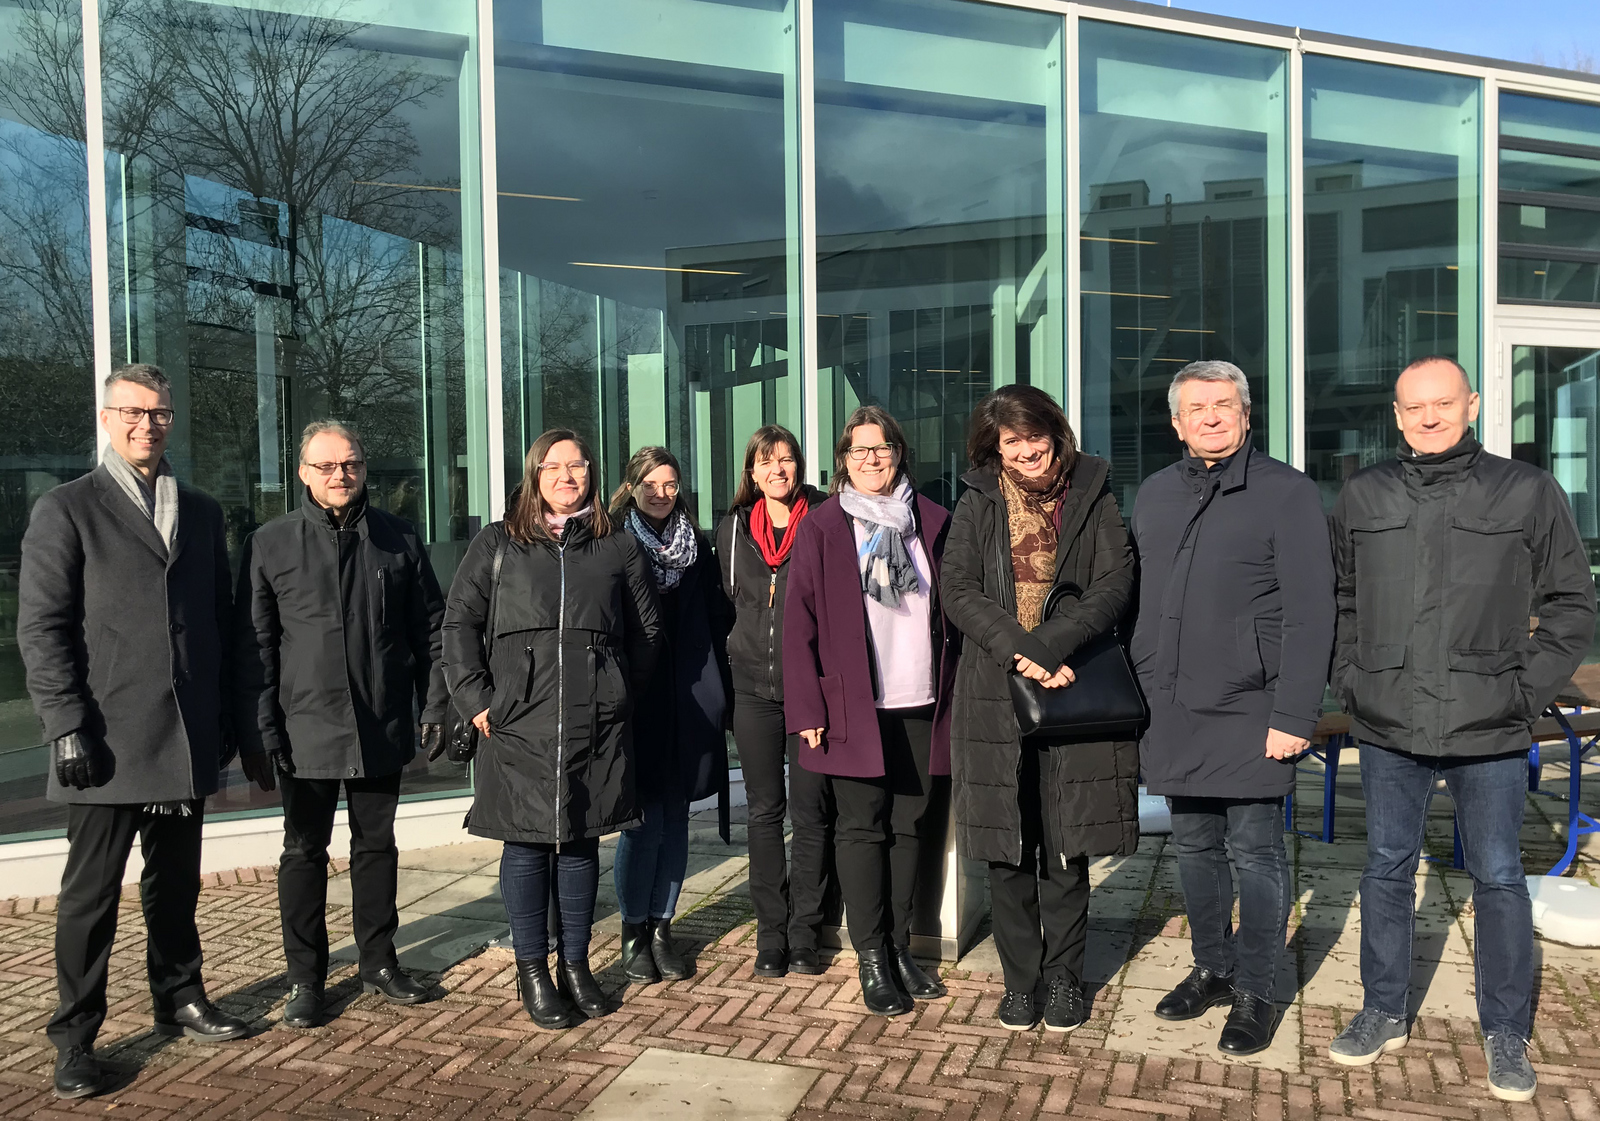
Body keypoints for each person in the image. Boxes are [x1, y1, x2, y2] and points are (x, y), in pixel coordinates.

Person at [1326, 356, 1595, 1102]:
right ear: (1397, 413)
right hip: (1388, 722)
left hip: (1492, 726)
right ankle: (1383, 1008)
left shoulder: (1527, 490)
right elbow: (1342, 597)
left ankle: (1505, 1027)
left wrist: (1522, 692)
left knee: (1500, 875)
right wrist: (1352, 678)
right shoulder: (1363, 493)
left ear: (1471, 404)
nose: (1430, 416)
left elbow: (1573, 605)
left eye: (1443, 402)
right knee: (1384, 868)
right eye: (1415, 407)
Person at [19, 364, 250, 1100]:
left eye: (159, 413)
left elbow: (219, 624)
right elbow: (43, 627)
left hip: (181, 738)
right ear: (106, 417)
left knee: (175, 882)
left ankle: (179, 993)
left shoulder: (204, 511)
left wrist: (224, 722)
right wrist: (64, 724)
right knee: (90, 897)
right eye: (133, 412)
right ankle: (75, 1038)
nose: (147, 424)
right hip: (104, 743)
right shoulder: (68, 508)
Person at [1129, 360, 1335, 1057]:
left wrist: (1295, 715)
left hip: (1255, 707)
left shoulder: (1288, 494)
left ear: (1247, 414)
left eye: (1224, 404)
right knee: (1192, 847)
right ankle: (1213, 966)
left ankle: (1258, 985)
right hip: (1174, 704)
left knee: (1255, 850)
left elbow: (1312, 614)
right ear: (1177, 422)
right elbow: (1141, 603)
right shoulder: (1154, 495)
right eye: (1197, 407)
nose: (1211, 416)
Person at [441, 429, 661, 1031]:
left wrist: (619, 695)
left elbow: (646, 632)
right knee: (529, 842)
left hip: (596, 720)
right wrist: (476, 700)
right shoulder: (498, 543)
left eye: (579, 466)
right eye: (555, 467)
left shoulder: (615, 546)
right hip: (517, 722)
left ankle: (577, 964)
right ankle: (533, 969)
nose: (569, 476)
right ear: (535, 474)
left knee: (583, 841)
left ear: (592, 473)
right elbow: (459, 621)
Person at [235, 420, 451, 1029]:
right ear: (302, 472)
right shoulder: (269, 544)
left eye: (350, 464)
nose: (340, 476)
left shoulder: (398, 539)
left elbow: (431, 632)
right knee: (303, 853)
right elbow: (255, 649)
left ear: (363, 468)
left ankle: (379, 962)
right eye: (326, 466)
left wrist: (434, 705)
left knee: (376, 847)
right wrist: (262, 733)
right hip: (304, 729)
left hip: (379, 722)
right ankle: (306, 979)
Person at [941, 386, 1138, 1033]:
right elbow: (958, 589)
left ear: (1055, 433)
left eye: (1035, 437)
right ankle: (1020, 982)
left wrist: (1050, 645)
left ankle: (1064, 980)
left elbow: (1116, 581)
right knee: (1006, 848)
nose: (1026, 451)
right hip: (993, 695)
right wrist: (1021, 649)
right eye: (1011, 441)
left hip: (1070, 686)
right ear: (994, 447)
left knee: (1065, 846)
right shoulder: (977, 500)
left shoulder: (1093, 489)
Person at [783, 405, 958, 1017]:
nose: (872, 459)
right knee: (861, 828)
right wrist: (806, 707)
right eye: (859, 452)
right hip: (851, 705)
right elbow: (796, 622)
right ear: (844, 462)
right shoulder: (825, 527)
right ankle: (872, 957)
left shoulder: (932, 521)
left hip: (922, 700)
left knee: (911, 828)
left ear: (899, 453)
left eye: (881, 449)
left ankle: (902, 945)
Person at [610, 446, 732, 984]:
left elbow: (717, 615)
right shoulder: (612, 542)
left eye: (671, 483)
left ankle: (663, 925)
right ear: (631, 487)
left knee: (679, 818)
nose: (662, 493)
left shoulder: (698, 547)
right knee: (643, 821)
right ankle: (633, 929)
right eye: (652, 483)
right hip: (636, 700)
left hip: (687, 698)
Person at [717, 426, 833, 980]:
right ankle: (772, 935)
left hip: (809, 691)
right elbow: (727, 608)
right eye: (767, 462)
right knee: (764, 813)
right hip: (753, 693)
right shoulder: (733, 531)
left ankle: (807, 933)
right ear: (753, 472)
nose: (778, 470)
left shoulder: (827, 522)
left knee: (811, 813)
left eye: (788, 459)